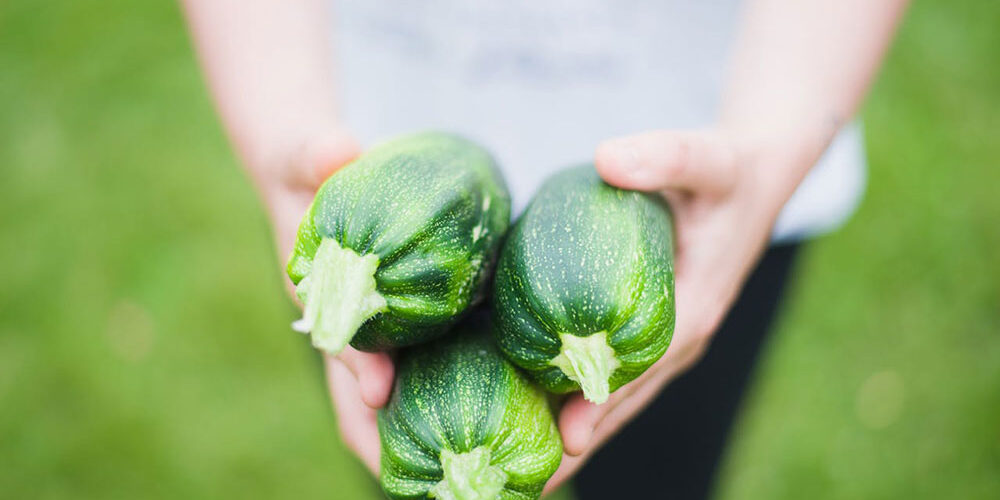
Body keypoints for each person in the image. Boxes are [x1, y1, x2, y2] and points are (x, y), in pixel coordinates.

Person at [181, 1, 908, 497]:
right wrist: (279, 120)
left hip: (717, 171)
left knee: (662, 480)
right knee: (396, 430)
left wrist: (769, 152)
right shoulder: (354, 233)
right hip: (372, 155)